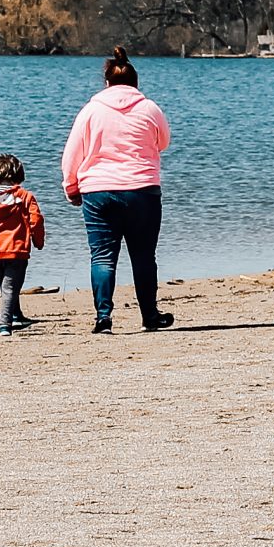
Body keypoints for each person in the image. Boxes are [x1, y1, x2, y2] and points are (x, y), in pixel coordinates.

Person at [62, 46, 174, 335]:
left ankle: (103, 317)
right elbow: (164, 142)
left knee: (101, 257)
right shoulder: (150, 108)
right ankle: (149, 316)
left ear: (107, 83)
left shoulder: (91, 110)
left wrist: (71, 187)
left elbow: (72, 154)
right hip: (142, 190)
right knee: (144, 256)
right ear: (135, 83)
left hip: (98, 192)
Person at [0, 153, 46, 336]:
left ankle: (16, 314)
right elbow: (36, 221)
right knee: (10, 287)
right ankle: (5, 324)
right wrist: (38, 241)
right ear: (20, 175)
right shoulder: (25, 197)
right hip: (17, 249)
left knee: (7, 285)